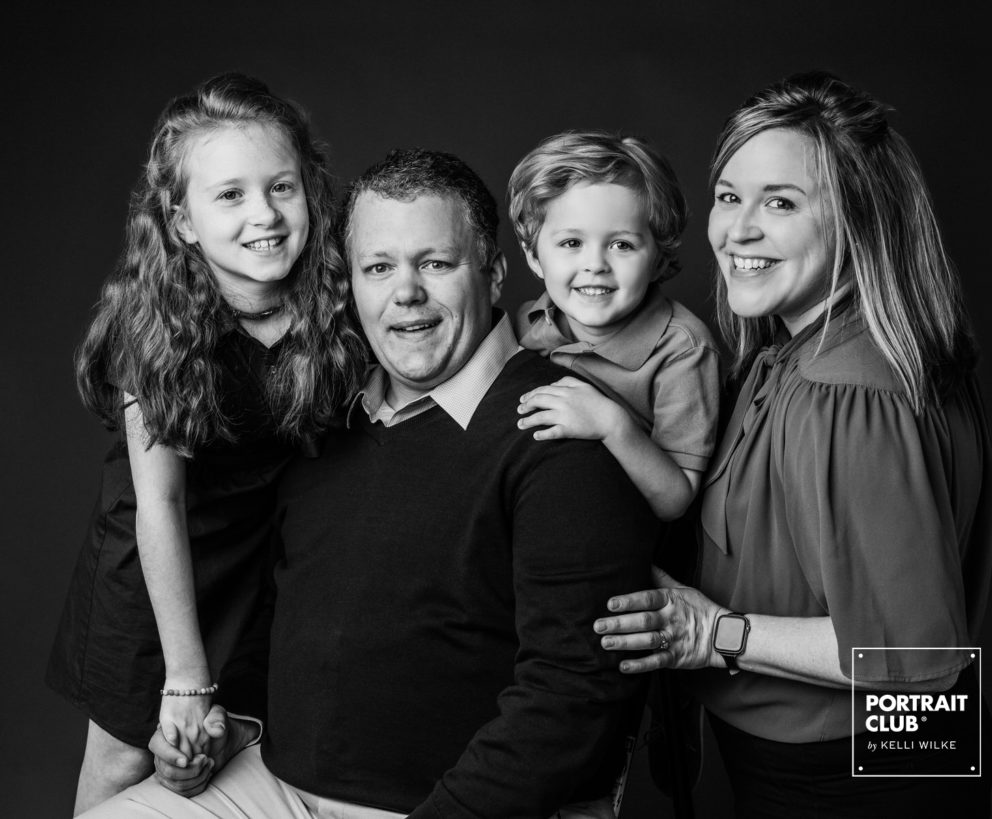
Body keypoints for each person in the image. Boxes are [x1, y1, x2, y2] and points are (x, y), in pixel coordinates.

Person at [80, 148, 660, 819]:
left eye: (435, 264)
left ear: (494, 273)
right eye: (378, 267)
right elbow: (283, 615)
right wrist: (229, 724)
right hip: (272, 785)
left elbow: (572, 698)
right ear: (351, 284)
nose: (405, 293)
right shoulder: (325, 415)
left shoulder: (561, 430)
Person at [593, 72, 992, 816]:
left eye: (780, 202)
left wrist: (714, 632)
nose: (737, 229)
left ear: (858, 220)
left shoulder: (851, 391)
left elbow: (913, 664)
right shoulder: (803, 350)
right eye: (729, 195)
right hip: (870, 759)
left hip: (850, 775)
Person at [46, 73, 365, 814]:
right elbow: (157, 499)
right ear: (183, 222)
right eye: (230, 196)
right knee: (129, 754)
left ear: (310, 192)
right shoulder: (154, 323)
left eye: (281, 187)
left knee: (235, 759)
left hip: (262, 562)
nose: (265, 214)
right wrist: (185, 677)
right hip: (153, 562)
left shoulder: (338, 300)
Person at [509, 131, 720, 522]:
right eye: (571, 243)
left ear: (658, 259)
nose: (596, 264)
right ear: (534, 257)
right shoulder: (525, 323)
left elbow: (676, 499)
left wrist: (612, 425)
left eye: (621, 245)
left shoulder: (683, 351)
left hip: (624, 545)